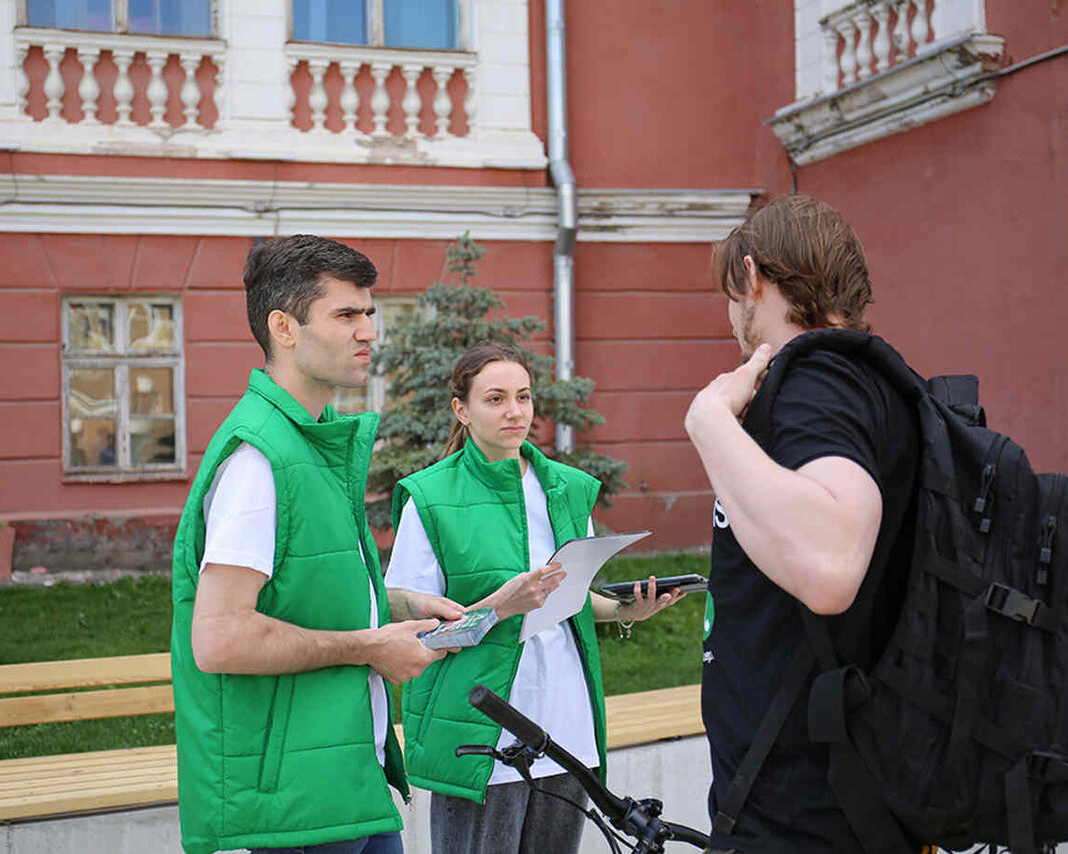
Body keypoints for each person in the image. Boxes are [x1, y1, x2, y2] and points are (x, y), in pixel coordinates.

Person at [170, 234, 463, 854]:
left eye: (369, 314)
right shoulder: (259, 460)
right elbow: (219, 638)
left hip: (348, 776)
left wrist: (401, 607)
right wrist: (371, 647)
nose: (368, 333)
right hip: (295, 802)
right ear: (285, 327)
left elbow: (301, 588)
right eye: (346, 315)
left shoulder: (313, 441)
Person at [685, 196, 920, 853]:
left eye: (730, 295)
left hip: (802, 815)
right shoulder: (874, 381)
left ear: (753, 278)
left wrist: (707, 424)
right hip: (846, 797)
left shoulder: (815, 383)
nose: (730, 316)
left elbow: (831, 569)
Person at [386, 341, 685, 854]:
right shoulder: (430, 498)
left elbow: (567, 599)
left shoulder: (564, 488)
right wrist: (499, 606)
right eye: (496, 398)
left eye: (523, 397)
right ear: (462, 409)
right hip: (481, 732)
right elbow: (417, 632)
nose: (514, 412)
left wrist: (628, 609)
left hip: (565, 729)